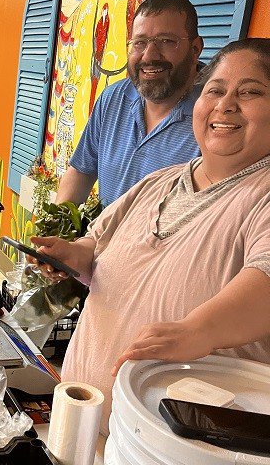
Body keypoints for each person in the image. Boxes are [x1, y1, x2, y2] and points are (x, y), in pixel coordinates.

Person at [30, 38, 270, 434]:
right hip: (82, 421)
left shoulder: (261, 193)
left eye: (250, 92)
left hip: (173, 448)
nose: (225, 104)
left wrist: (200, 331)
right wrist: (74, 254)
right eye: (215, 90)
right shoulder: (159, 182)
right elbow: (97, 245)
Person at [55, 0, 203, 207]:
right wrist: (57, 227)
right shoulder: (112, 99)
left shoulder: (214, 116)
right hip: (98, 240)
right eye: (140, 43)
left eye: (166, 41)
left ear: (195, 48)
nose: (149, 56)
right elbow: (81, 171)